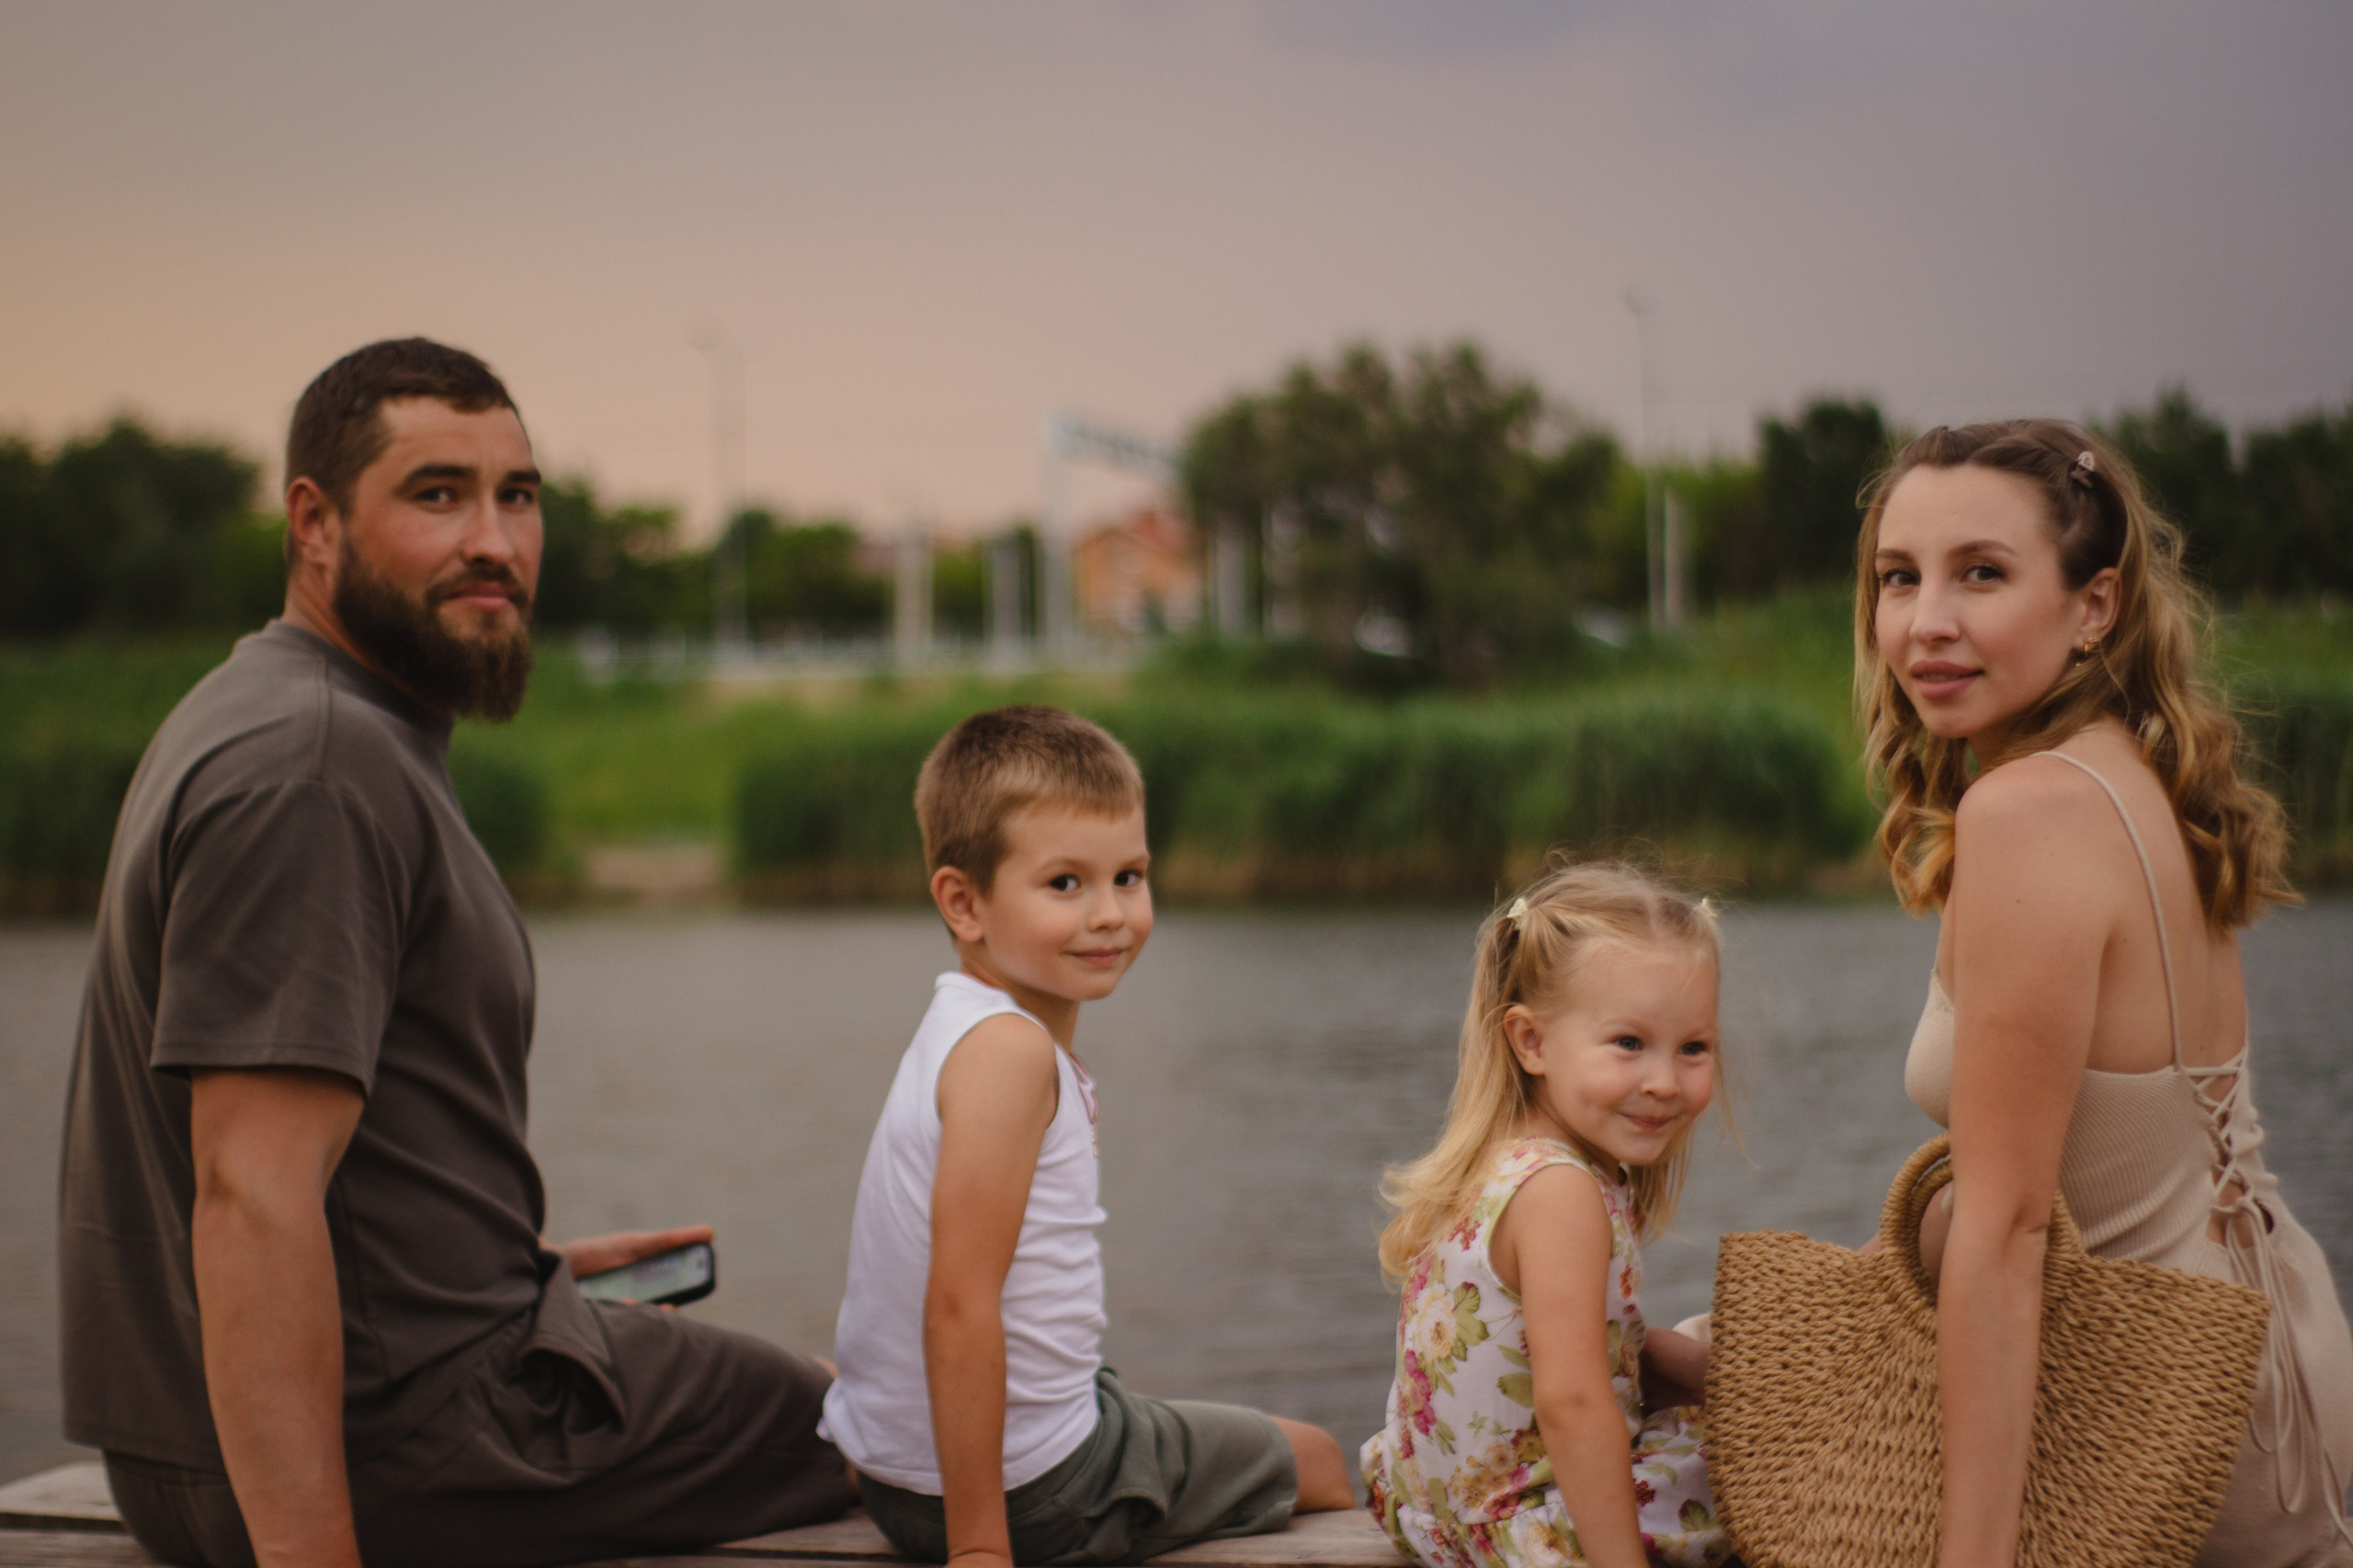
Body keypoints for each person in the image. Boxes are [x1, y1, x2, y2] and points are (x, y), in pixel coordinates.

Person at [56, 337, 856, 1568]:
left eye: (518, 496)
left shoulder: (260, 708)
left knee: (830, 1389)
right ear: (313, 524)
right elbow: (252, 1195)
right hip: (406, 1452)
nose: (495, 539)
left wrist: (493, 1258)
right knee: (903, 1420)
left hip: (211, 1455)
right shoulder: (317, 763)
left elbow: (297, 1161)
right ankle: (1265, 1461)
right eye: (438, 495)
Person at [1860, 420, 2353, 1567]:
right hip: (2270, 1362)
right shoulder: (2136, 776)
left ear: (2095, 606)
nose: (1925, 620)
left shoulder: (2027, 812)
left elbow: (2008, 1230)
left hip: (2166, 1430)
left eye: (1980, 572)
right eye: (1899, 577)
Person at [820, 705, 1354, 1566]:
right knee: (1321, 1458)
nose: (1109, 914)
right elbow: (958, 1304)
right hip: (1029, 1499)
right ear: (964, 902)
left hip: (898, 1485)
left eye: (1129, 877)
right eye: (1065, 884)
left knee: (1113, 1392)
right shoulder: (1010, 1054)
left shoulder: (962, 1022)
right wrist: (981, 1552)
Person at [1360, 861, 1732, 1568]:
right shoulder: (1561, 1191)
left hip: (1424, 1510)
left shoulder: (1500, 1155)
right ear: (1530, 1041)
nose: (1663, 1080)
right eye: (1629, 1043)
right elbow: (1573, 1405)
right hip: (1525, 1534)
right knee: (1749, 1455)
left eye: (1693, 1048)